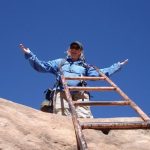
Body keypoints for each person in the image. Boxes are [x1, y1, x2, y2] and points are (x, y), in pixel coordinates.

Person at [20, 41, 128, 118]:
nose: (74, 50)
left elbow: (99, 74)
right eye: (72, 48)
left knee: (84, 117)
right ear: (68, 50)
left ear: (81, 52)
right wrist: (30, 54)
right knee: (61, 118)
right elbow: (42, 66)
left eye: (77, 48)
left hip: (80, 93)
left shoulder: (85, 66)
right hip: (61, 92)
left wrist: (117, 66)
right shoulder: (60, 62)